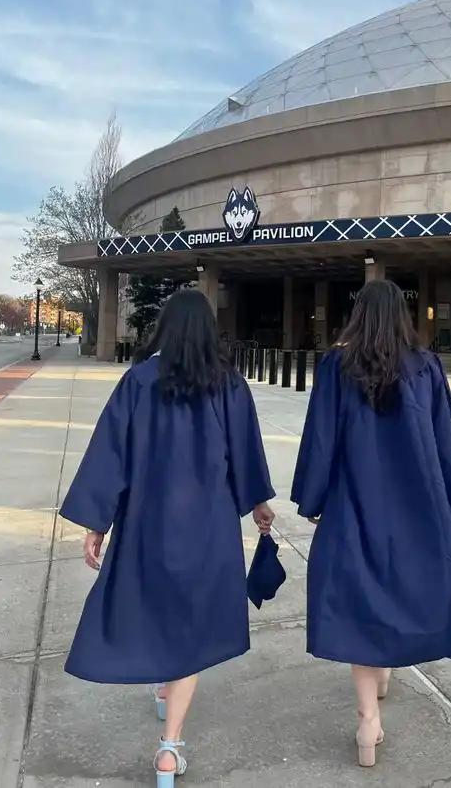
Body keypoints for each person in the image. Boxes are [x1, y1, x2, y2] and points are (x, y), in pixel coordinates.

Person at [59, 289, 276, 785]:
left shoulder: (137, 381)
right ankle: (169, 748)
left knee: (156, 603)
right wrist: (259, 504)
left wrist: (99, 521)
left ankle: (161, 690)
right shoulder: (229, 385)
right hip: (209, 527)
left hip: (147, 521)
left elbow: (110, 454)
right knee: (192, 621)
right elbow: (246, 455)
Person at [291, 279, 451, 768]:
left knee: (359, 600)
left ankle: (366, 721)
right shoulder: (425, 366)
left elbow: (321, 437)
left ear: (358, 316)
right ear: (403, 315)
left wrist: (312, 498)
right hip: (418, 503)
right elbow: (447, 444)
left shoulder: (336, 365)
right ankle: (382, 679)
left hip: (353, 500)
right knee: (398, 589)